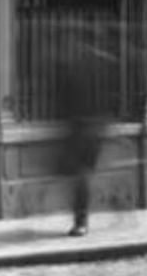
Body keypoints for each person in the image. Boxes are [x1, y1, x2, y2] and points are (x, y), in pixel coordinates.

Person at [53, 24, 112, 237]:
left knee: (80, 175)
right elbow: (113, 98)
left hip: (82, 129)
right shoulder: (106, 64)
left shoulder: (76, 66)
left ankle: (81, 221)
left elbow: (66, 100)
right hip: (94, 128)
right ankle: (82, 218)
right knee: (81, 174)